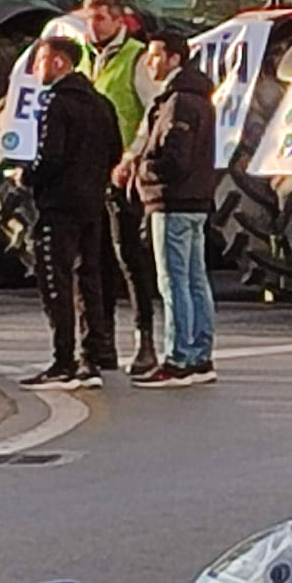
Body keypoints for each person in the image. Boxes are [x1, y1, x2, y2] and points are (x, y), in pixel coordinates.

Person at [20, 35, 122, 390]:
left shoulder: (56, 104)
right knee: (89, 279)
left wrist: (26, 175)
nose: (36, 69)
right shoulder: (102, 104)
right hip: (92, 203)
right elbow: (114, 152)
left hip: (59, 206)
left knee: (56, 281)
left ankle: (63, 360)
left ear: (60, 62)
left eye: (41, 60)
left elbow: (50, 156)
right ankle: (94, 354)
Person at [120, 30, 217, 388]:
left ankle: (179, 359)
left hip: (172, 200)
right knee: (194, 278)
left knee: (174, 281)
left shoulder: (178, 101)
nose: (150, 61)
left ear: (176, 58)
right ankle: (201, 354)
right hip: (194, 199)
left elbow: (175, 157)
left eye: (157, 55)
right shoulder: (196, 97)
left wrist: (144, 169)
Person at [80, 0, 162, 378]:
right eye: (88, 18)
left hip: (122, 175)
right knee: (93, 262)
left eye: (100, 19)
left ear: (118, 20)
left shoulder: (136, 59)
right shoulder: (84, 58)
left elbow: (151, 112)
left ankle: (144, 340)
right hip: (89, 175)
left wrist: (132, 157)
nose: (93, 26)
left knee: (130, 258)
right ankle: (100, 343)